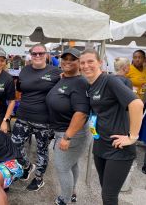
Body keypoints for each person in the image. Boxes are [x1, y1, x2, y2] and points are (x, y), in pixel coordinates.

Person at [80, 49, 143, 205]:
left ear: (100, 63)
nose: (86, 65)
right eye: (82, 63)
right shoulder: (90, 85)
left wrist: (132, 137)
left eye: (90, 61)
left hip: (118, 149)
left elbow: (137, 104)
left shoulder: (109, 81)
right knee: (105, 191)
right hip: (100, 145)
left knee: (109, 196)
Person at [11, 44, 62, 191]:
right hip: (23, 116)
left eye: (41, 53)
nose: (38, 56)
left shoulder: (56, 72)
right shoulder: (25, 71)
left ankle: (39, 178)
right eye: (34, 54)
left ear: (46, 55)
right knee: (14, 145)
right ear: (30, 55)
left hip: (44, 120)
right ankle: (27, 166)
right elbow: (20, 88)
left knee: (42, 150)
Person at [46, 48, 90, 205]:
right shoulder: (65, 78)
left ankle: (64, 200)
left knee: (62, 167)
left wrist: (67, 136)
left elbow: (81, 113)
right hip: (64, 131)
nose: (67, 61)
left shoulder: (80, 82)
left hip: (70, 133)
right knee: (72, 164)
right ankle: (71, 193)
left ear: (79, 62)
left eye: (73, 59)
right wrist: (63, 77)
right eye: (65, 58)